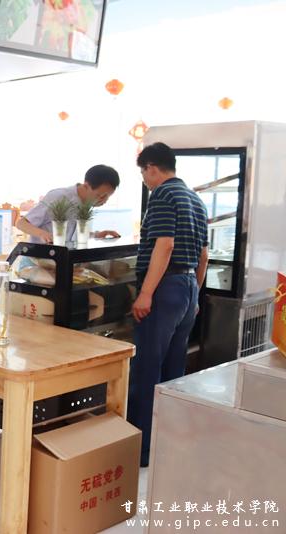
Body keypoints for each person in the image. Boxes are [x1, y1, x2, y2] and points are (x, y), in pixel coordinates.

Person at [128, 142, 208, 467]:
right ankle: (166, 444)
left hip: (164, 288)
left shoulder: (163, 194)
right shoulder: (195, 199)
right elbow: (203, 255)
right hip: (187, 288)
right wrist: (195, 295)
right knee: (174, 371)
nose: (145, 180)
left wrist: (146, 293)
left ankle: (142, 449)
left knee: (147, 368)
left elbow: (165, 245)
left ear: (151, 168)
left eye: (143, 173)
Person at [17, 164, 121, 243]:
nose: (104, 201)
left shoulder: (85, 205)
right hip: (37, 260)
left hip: (62, 260)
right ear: (86, 186)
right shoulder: (58, 197)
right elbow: (21, 223)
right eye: (101, 196)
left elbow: (71, 235)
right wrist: (43, 234)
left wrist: (97, 235)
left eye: (108, 197)